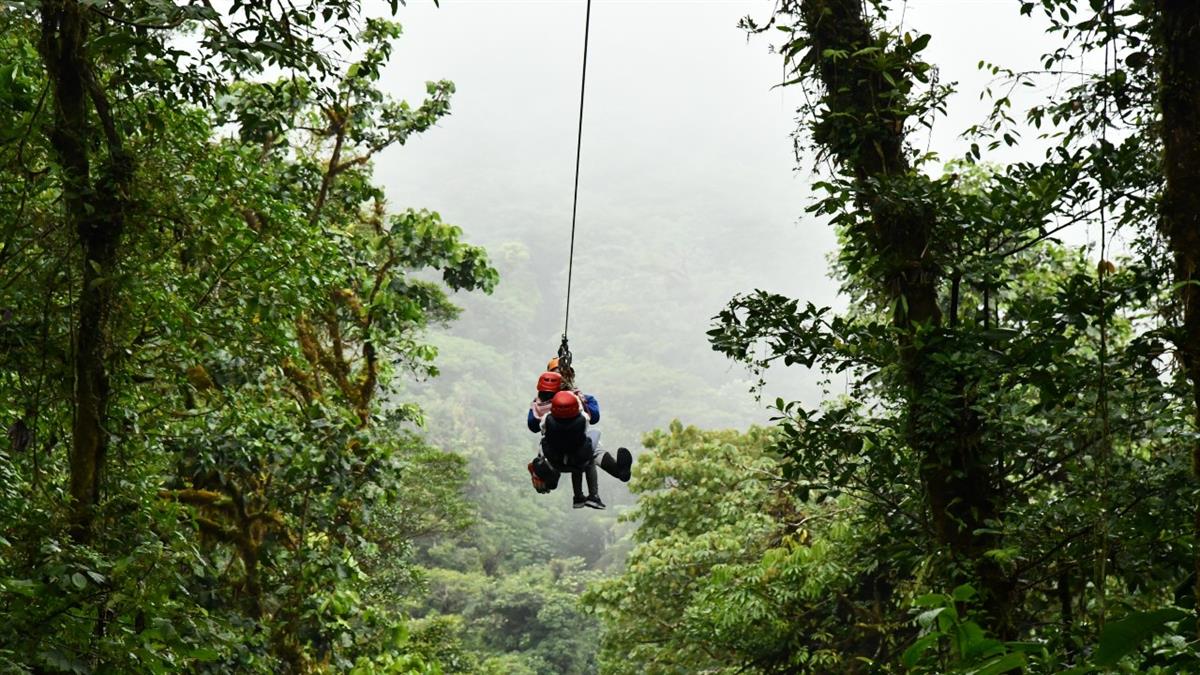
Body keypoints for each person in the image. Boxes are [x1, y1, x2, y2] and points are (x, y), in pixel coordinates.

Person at [526, 371, 631, 509]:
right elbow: (593, 416)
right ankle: (612, 478)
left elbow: (534, 426)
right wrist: (580, 401)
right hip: (579, 455)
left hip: (555, 457)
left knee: (549, 453)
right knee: (592, 448)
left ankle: (557, 484)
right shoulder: (578, 405)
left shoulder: (541, 411)